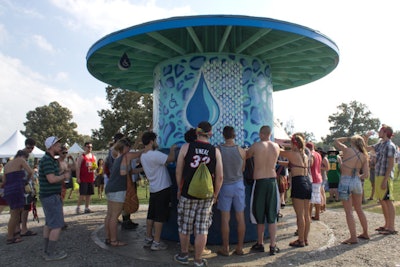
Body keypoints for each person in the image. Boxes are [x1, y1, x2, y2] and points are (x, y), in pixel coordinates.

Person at [174, 121, 223, 267]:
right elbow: (220, 177)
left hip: (187, 193)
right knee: (202, 229)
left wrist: (179, 188)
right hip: (207, 196)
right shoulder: (215, 151)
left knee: (185, 226)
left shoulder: (186, 147)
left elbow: (178, 171)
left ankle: (183, 255)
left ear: (197, 132)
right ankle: (198, 260)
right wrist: (216, 194)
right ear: (210, 134)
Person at [246, 125, 280, 255]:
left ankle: (260, 243)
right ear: (270, 134)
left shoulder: (256, 146)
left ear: (261, 134)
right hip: (272, 181)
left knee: (259, 214)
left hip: (260, 182)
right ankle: (273, 245)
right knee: (272, 215)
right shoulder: (276, 147)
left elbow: (245, 156)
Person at [140, 131, 176, 251]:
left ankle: (148, 237)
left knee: (151, 215)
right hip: (163, 188)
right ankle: (156, 242)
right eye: (155, 140)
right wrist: (172, 149)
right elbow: (171, 159)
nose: (156, 143)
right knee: (160, 217)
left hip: (154, 189)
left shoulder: (143, 156)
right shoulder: (155, 154)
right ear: (151, 141)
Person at [104, 138, 141, 247]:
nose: (129, 149)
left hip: (110, 188)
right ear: (124, 147)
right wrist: (147, 149)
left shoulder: (117, 158)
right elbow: (139, 154)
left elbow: (129, 171)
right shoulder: (126, 156)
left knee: (110, 215)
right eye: (128, 147)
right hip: (118, 189)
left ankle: (108, 237)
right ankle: (114, 240)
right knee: (115, 216)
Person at [216, 126, 246, 256]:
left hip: (224, 185)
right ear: (234, 135)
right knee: (240, 218)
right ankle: (240, 248)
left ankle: (226, 248)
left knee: (225, 219)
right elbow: (243, 169)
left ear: (223, 135)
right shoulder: (241, 150)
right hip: (238, 185)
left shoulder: (218, 150)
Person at [334, 135, 370, 244]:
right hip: (357, 181)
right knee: (359, 209)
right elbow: (366, 175)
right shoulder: (364, 156)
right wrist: (358, 176)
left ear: (353, 142)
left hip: (345, 180)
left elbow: (336, 140)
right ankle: (365, 233)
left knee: (349, 211)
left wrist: (348, 137)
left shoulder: (347, 150)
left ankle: (353, 237)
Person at [39, 136, 69, 260]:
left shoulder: (50, 159)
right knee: (57, 225)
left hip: (48, 196)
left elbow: (52, 176)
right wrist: (64, 176)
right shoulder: (47, 160)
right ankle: (50, 254)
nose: (60, 146)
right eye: (57, 144)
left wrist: (61, 173)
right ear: (51, 147)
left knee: (49, 224)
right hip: (51, 196)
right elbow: (51, 179)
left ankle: (46, 250)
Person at [280, 133, 311, 248]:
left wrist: (281, 143)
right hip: (308, 182)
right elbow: (292, 164)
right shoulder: (305, 156)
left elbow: (277, 151)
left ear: (294, 144)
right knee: (306, 214)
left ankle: (301, 240)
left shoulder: (292, 153)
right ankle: (305, 238)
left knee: (300, 215)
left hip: (299, 183)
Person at [366, 124, 397, 235]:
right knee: (382, 201)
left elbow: (391, 164)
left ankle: (392, 227)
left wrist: (385, 179)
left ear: (385, 133)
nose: (378, 132)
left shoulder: (390, 146)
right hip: (379, 175)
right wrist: (367, 137)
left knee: (388, 201)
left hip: (385, 176)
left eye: (380, 131)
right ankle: (386, 225)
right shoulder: (381, 144)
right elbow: (365, 148)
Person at [3, 150, 33, 244]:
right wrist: (26, 181)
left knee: (15, 212)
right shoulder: (21, 160)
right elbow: (30, 172)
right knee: (15, 214)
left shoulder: (7, 165)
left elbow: (4, 181)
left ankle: (15, 233)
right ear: (23, 156)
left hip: (8, 190)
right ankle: (10, 237)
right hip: (17, 189)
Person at [18, 138, 38, 237]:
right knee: (22, 207)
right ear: (25, 145)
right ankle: (21, 229)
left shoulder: (32, 156)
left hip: (29, 184)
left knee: (26, 207)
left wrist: (33, 184)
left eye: (32, 148)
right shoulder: (20, 155)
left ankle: (22, 228)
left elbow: (32, 170)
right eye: (28, 147)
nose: (30, 150)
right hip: (22, 183)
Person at [76, 141, 97, 214]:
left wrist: (94, 175)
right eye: (88, 147)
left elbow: (94, 167)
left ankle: (87, 208)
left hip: (90, 178)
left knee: (89, 193)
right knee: (82, 193)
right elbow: (78, 167)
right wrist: (78, 177)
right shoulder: (81, 156)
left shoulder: (93, 156)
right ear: (84, 147)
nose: (89, 148)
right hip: (83, 178)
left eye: (91, 147)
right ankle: (78, 208)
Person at [306, 142, 323, 221]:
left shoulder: (311, 154)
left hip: (312, 178)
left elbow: (311, 164)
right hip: (318, 177)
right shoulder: (318, 154)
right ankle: (317, 215)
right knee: (317, 198)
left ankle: (308, 216)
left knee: (311, 199)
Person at [316, 147, 330, 213]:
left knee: (321, 191)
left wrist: (320, 167)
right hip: (319, 176)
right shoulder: (318, 158)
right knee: (322, 192)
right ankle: (323, 205)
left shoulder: (324, 159)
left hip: (323, 176)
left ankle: (322, 206)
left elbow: (328, 168)